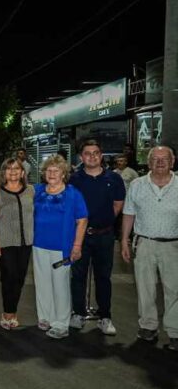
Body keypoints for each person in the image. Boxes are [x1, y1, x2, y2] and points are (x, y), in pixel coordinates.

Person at [121, 146, 178, 352]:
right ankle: (148, 326)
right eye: (155, 159)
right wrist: (124, 240)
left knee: (175, 289)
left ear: (173, 161)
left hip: (173, 245)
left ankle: (175, 331)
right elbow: (129, 213)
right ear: (149, 162)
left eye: (165, 159)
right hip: (144, 243)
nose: (160, 162)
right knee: (145, 287)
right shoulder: (137, 185)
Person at [68, 140, 125, 335]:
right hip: (80, 237)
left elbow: (118, 205)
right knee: (78, 276)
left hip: (104, 236)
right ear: (81, 157)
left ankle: (105, 316)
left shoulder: (114, 179)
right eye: (87, 153)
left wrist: (103, 221)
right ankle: (78, 313)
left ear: (101, 156)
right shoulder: (74, 179)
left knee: (103, 277)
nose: (92, 156)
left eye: (96, 153)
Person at [33, 154, 88, 339]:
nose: (52, 173)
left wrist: (77, 246)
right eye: (48, 170)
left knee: (60, 285)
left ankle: (61, 324)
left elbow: (82, 220)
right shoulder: (37, 191)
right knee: (42, 283)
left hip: (62, 247)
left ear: (63, 173)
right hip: (39, 245)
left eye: (56, 170)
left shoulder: (73, 194)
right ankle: (45, 317)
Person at [0, 157, 34, 330]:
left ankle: (12, 312)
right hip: (5, 242)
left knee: (20, 278)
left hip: (26, 242)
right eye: (9, 168)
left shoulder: (31, 190)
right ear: (3, 172)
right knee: (9, 276)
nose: (13, 171)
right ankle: (8, 313)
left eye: (16, 168)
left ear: (22, 172)